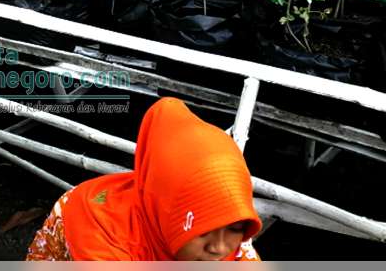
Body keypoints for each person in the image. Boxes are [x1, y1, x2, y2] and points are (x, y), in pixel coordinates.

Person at [26, 97, 262, 261]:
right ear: (166, 210)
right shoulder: (100, 230)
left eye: (236, 228)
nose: (219, 248)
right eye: (201, 232)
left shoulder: (217, 224)